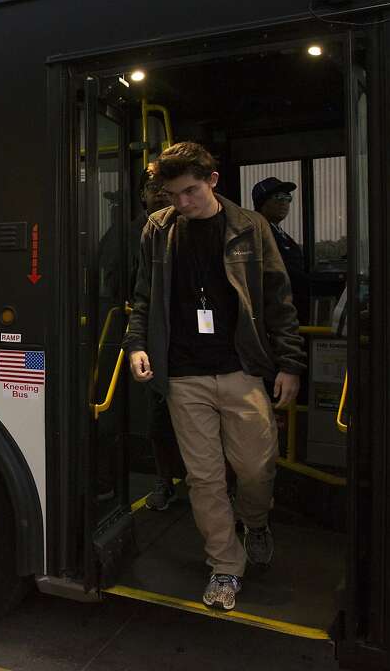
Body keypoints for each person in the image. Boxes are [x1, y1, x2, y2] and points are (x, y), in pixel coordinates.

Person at [123, 142, 304, 611]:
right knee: (204, 479)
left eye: (190, 191)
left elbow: (279, 302)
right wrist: (137, 345)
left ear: (213, 180)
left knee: (255, 467)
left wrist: (289, 364)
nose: (181, 203)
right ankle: (225, 565)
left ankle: (256, 523)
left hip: (242, 368)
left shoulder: (250, 227)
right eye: (172, 194)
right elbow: (142, 296)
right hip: (184, 375)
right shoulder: (158, 231)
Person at [132, 167, 185, 511]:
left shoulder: (190, 228)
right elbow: (139, 296)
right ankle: (164, 482)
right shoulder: (134, 233)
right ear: (143, 195)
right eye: (153, 187)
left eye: (166, 186)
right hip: (156, 345)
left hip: (193, 345)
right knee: (160, 424)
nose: (161, 192)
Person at [252, 176, 309, 324]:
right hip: (275, 313)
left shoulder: (281, 234)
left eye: (287, 197)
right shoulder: (257, 233)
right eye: (278, 197)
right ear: (262, 202)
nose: (285, 202)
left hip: (292, 308)